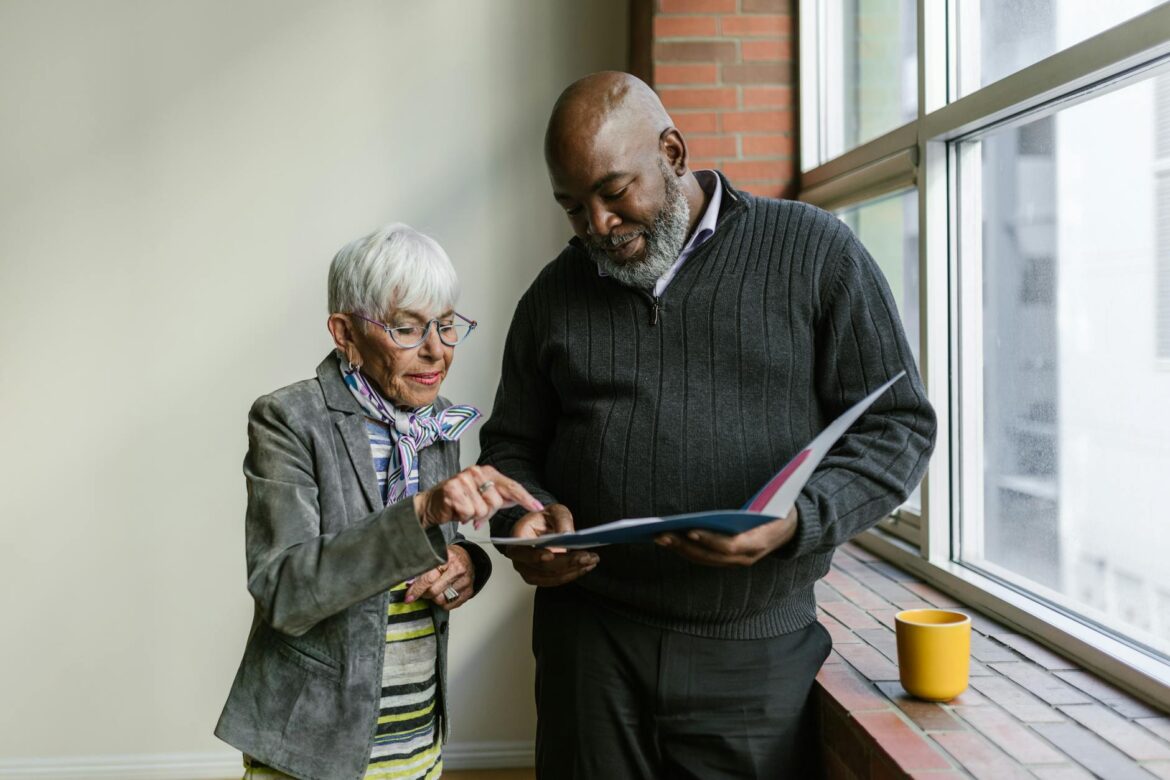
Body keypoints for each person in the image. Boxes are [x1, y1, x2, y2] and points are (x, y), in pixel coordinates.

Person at [479, 72, 937, 778]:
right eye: (573, 207)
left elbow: (898, 427)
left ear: (672, 149)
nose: (597, 225)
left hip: (751, 657)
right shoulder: (553, 295)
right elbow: (510, 447)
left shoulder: (816, 253)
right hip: (589, 650)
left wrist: (798, 522)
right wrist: (520, 523)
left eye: (613, 191)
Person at [216, 224, 543, 780]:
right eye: (407, 328)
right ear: (344, 333)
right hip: (312, 754)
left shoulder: (437, 424)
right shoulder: (290, 420)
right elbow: (285, 591)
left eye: (444, 325)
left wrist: (471, 563)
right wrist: (422, 512)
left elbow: (443, 548)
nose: (436, 350)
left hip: (417, 743)